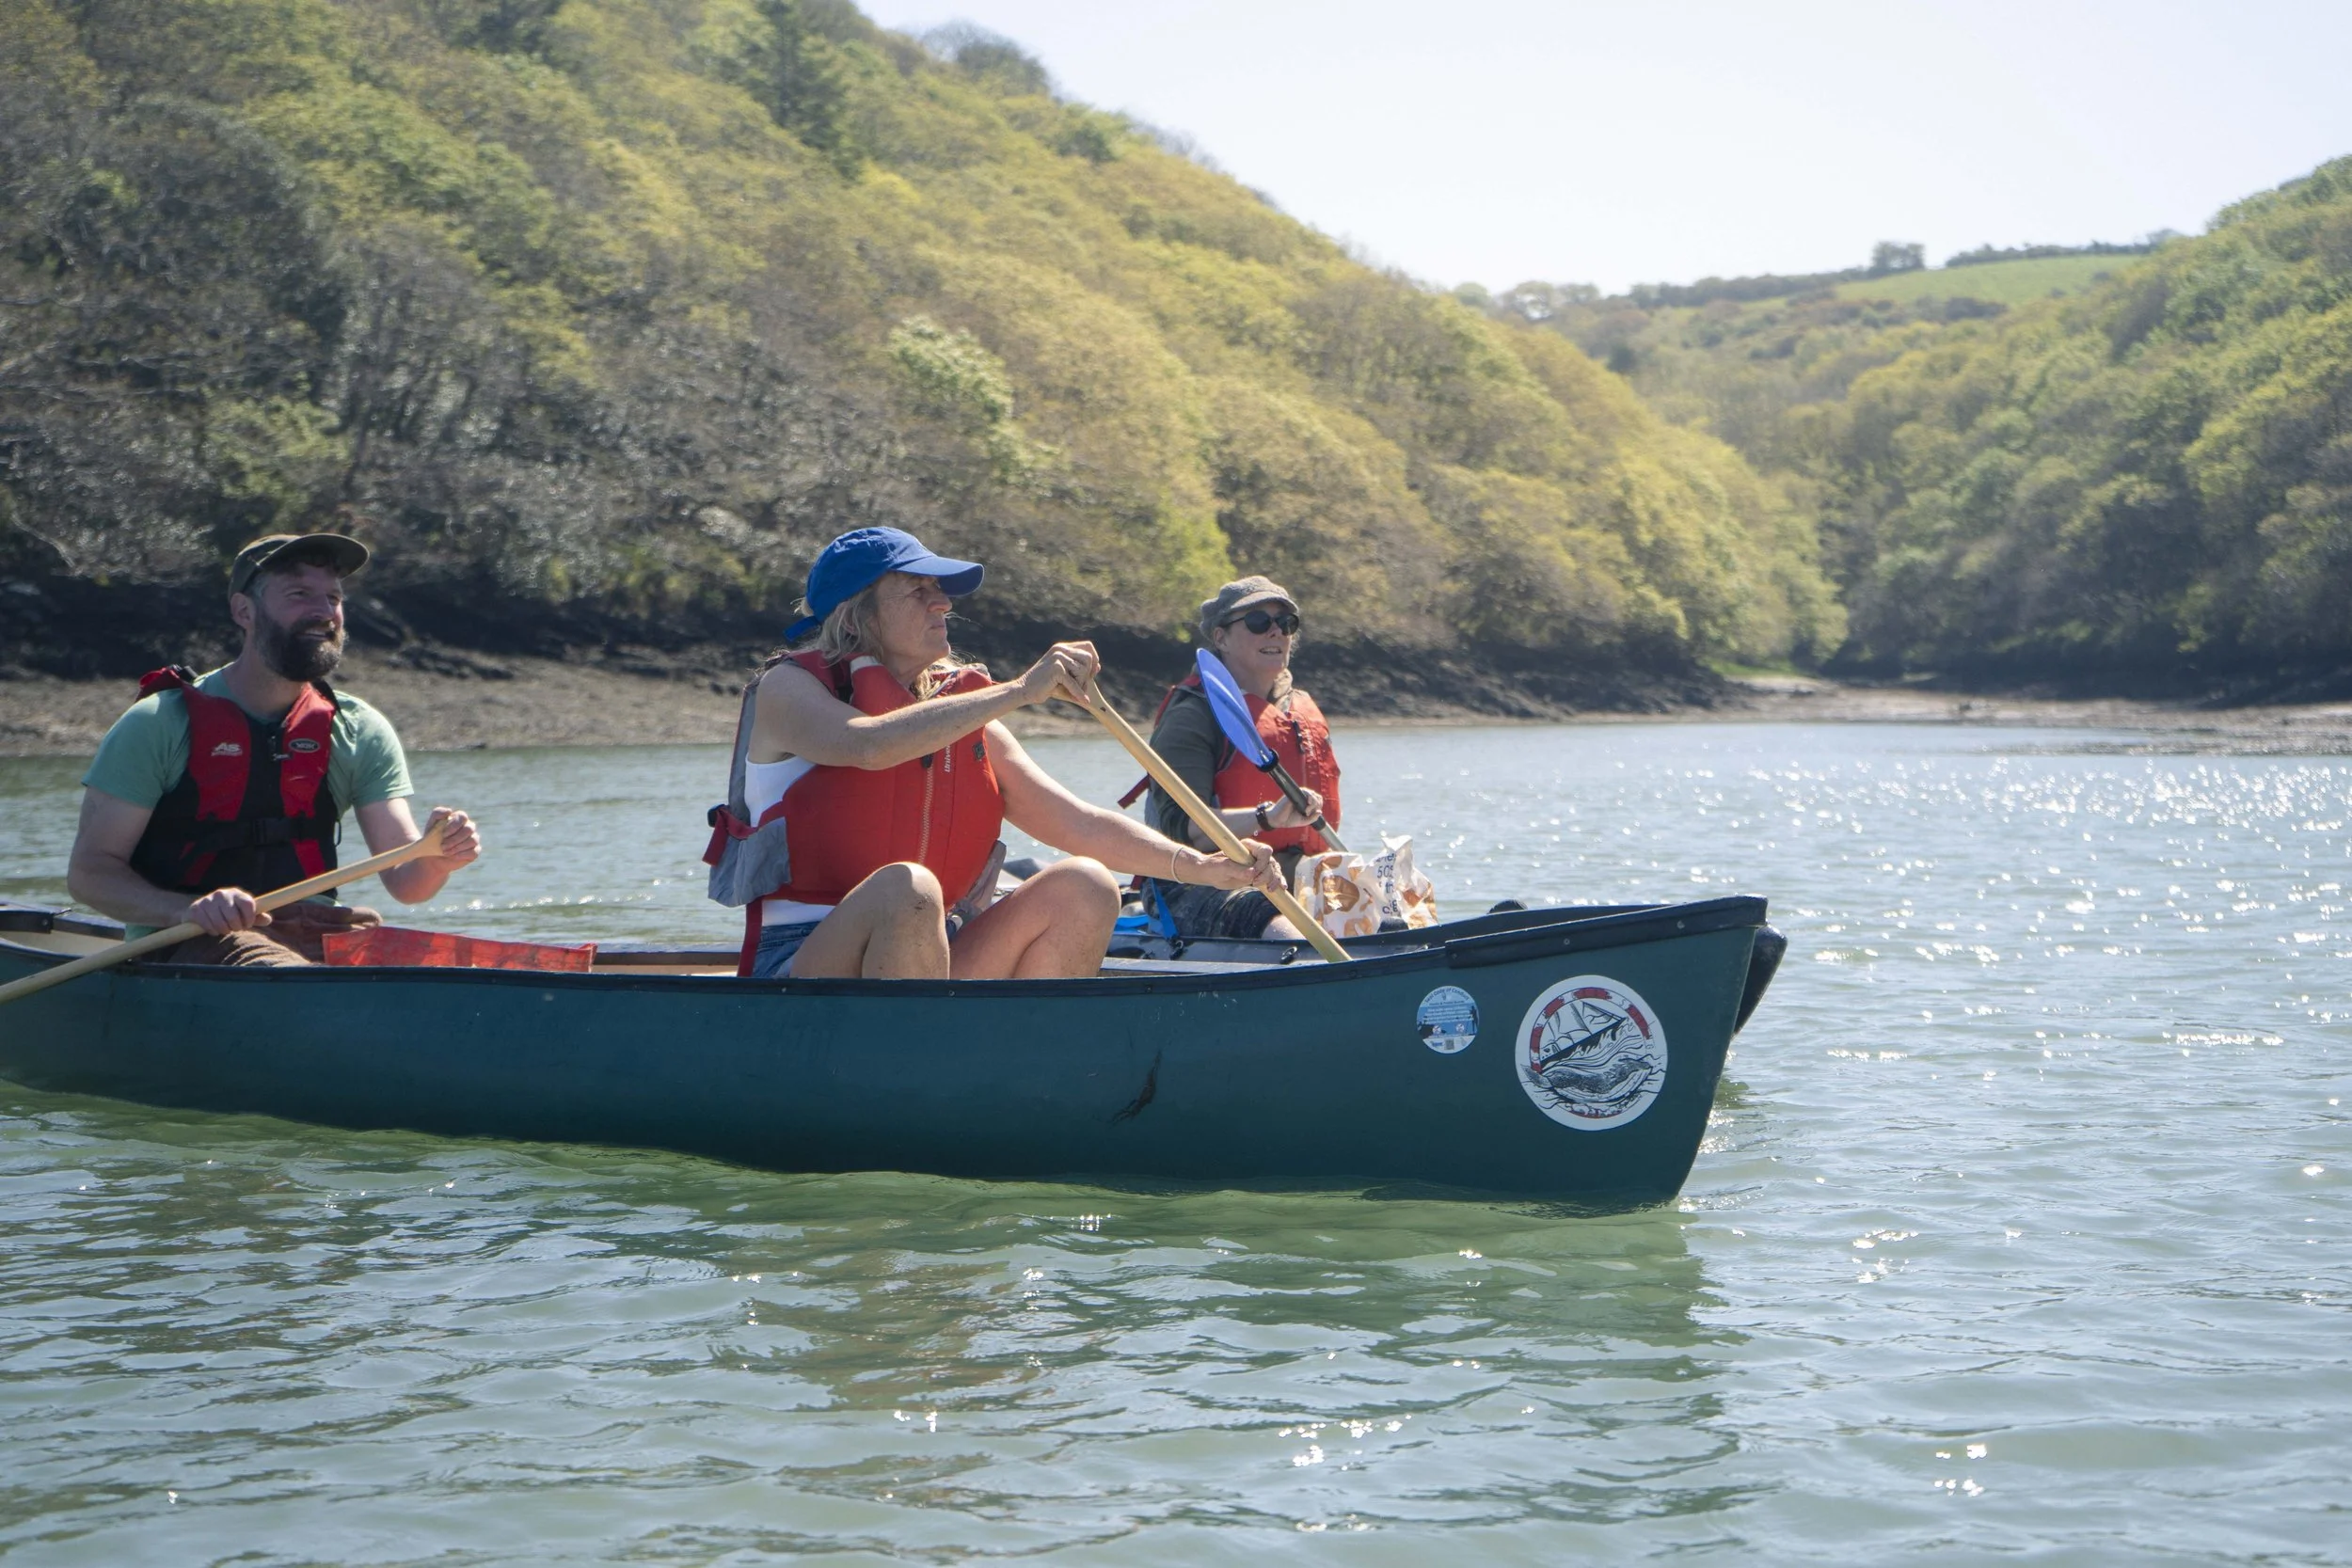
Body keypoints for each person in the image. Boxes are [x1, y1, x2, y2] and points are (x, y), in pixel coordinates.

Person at [706, 527, 1280, 979]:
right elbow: (868, 744)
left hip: (933, 951)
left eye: (941, 591)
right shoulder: (787, 688)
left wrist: (1204, 867)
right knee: (909, 888)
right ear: (857, 613)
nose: (942, 604)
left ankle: (1016, 1065)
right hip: (802, 960)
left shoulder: (958, 711)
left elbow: (1077, 823)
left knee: (1086, 883)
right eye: (919, 591)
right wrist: (1020, 690)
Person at [66, 531, 483, 965]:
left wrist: (439, 857)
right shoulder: (157, 723)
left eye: (333, 598)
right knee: (281, 972)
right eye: (300, 594)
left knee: (434, 968)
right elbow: (90, 874)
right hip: (192, 939)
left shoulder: (359, 728)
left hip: (318, 930)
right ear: (244, 611)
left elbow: (407, 882)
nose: (324, 612)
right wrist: (185, 910)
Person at [1130, 575, 1340, 941]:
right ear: (1221, 637)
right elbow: (1184, 830)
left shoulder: (1300, 708)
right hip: (1196, 879)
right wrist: (1267, 818)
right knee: (1260, 910)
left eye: (1286, 623)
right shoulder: (1192, 714)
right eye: (1258, 621)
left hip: (1294, 873)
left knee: (1389, 894)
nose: (1276, 632)